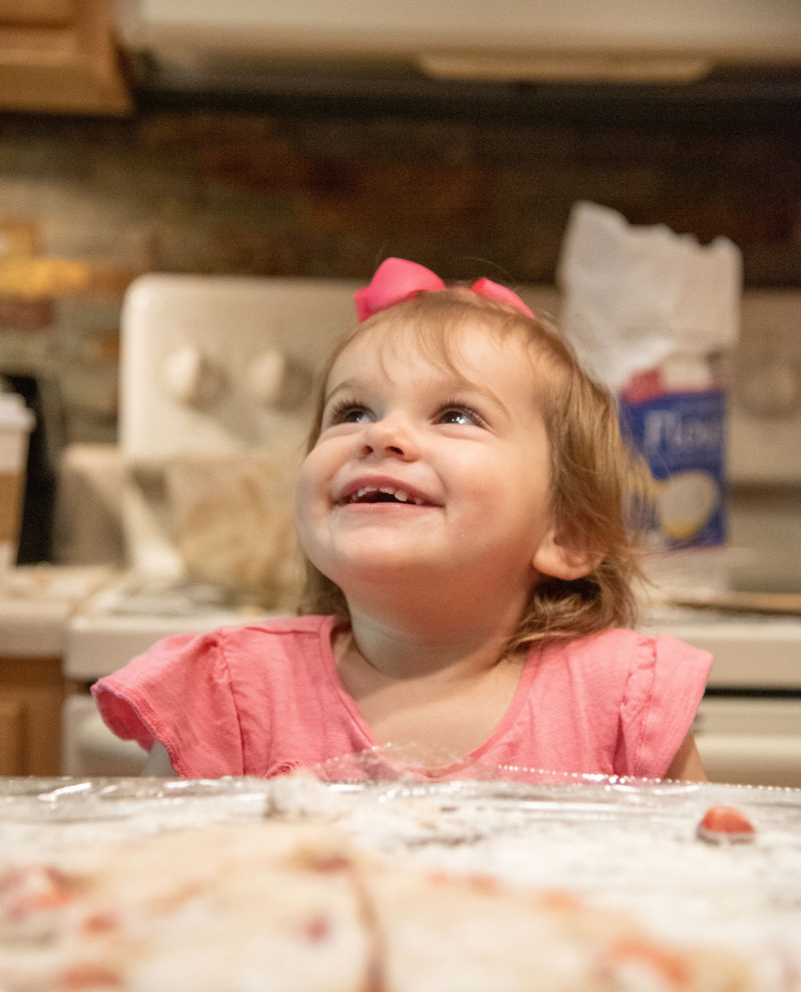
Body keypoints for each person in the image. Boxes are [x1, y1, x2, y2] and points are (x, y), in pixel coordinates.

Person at [92, 258, 709, 783]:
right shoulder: (228, 695)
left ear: (567, 534)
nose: (382, 434)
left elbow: (701, 890)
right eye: (352, 411)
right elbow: (160, 892)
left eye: (457, 415)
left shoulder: (622, 705)